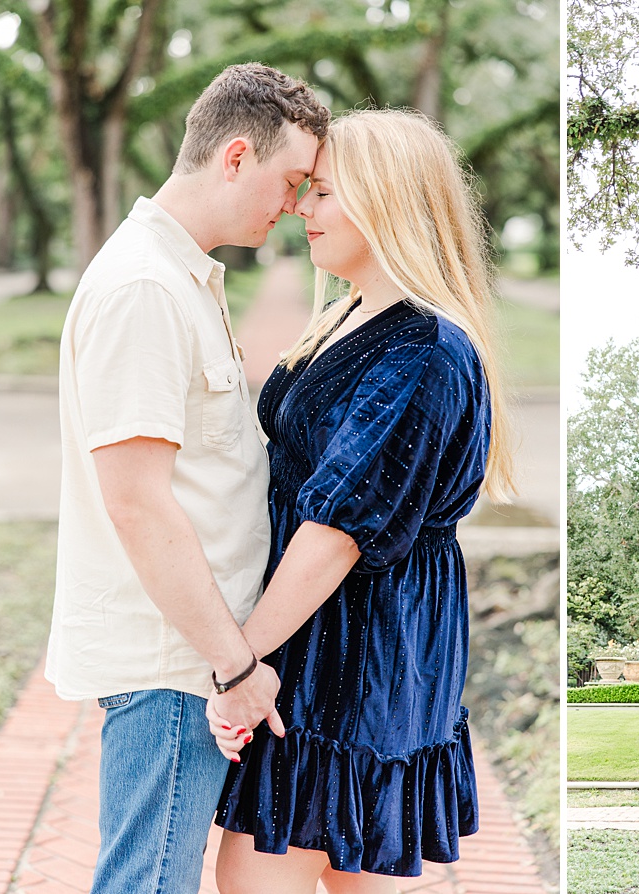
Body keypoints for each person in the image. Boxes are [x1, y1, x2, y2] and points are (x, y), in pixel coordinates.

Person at [207, 108, 515, 893]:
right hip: (331, 633)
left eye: (323, 192)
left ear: (386, 202)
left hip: (357, 652)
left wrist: (240, 661)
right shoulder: (350, 313)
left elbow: (338, 530)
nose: (302, 209)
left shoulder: (424, 349)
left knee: (258, 880)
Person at [46, 65, 330, 894]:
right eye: (289, 182)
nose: (293, 205)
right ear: (235, 156)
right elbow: (136, 501)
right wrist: (236, 669)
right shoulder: (144, 287)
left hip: (190, 655)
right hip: (174, 662)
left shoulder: (182, 277)